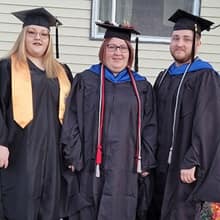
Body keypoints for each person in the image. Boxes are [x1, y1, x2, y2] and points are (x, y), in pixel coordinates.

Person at [60, 21, 157, 220]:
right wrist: (72, 156)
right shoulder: (86, 80)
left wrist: (145, 162)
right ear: (103, 50)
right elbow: (72, 119)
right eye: (111, 47)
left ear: (130, 53)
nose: (117, 53)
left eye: (122, 48)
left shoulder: (142, 87)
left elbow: (150, 126)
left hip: (126, 166)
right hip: (88, 164)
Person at [0, 7, 72, 220]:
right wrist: (0, 143)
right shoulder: (6, 67)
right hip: (20, 152)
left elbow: (73, 113)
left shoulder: (61, 71)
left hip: (53, 155)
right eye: (31, 32)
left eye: (43, 34)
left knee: (50, 207)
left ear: (50, 39)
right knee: (19, 205)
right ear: (23, 36)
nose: (38, 38)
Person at [150, 9, 220, 220]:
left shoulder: (205, 76)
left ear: (197, 43)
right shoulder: (163, 76)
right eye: (175, 38)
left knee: (179, 212)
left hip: (184, 163)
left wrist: (193, 159)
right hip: (159, 163)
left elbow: (209, 122)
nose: (180, 43)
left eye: (186, 39)